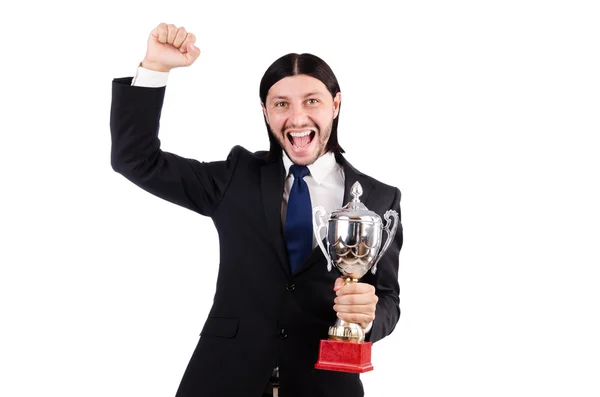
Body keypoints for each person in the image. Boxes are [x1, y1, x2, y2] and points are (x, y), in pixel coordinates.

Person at [110, 22, 403, 397]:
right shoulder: (235, 177)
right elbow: (135, 159)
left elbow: (389, 297)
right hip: (223, 379)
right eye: (282, 104)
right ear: (266, 111)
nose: (297, 118)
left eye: (312, 100)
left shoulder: (380, 199)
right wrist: (154, 67)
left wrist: (366, 318)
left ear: (336, 104)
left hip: (324, 384)